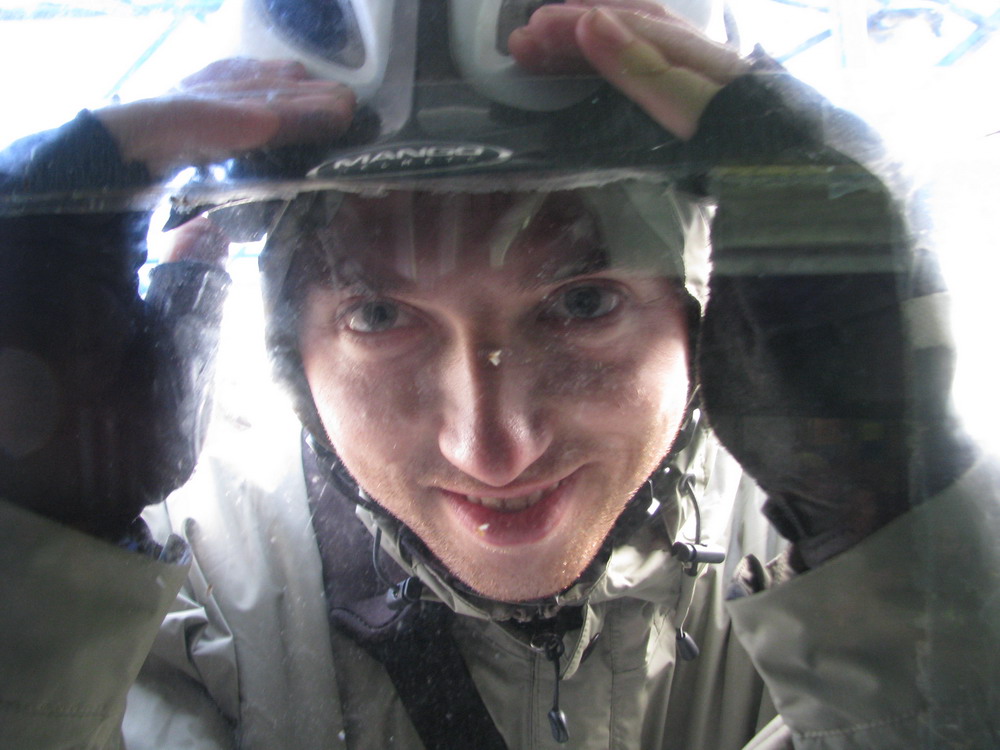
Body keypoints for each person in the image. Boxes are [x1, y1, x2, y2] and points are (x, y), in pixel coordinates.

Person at [1, 1, 996, 748]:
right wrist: (34, 565)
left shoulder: (810, 569)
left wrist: (880, 528)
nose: (492, 446)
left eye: (583, 302)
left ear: (708, 301)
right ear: (285, 345)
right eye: (379, 315)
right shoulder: (197, 608)